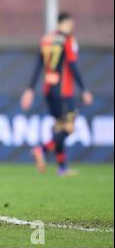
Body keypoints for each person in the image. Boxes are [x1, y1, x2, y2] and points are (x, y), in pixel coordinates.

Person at [20, 12, 93, 177]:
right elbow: (73, 66)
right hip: (63, 90)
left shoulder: (45, 39)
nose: (71, 28)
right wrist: (84, 89)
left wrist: (30, 89)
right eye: (70, 25)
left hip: (48, 89)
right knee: (69, 127)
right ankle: (42, 149)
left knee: (59, 127)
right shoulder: (68, 40)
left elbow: (38, 65)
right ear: (64, 23)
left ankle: (62, 168)